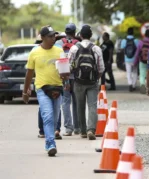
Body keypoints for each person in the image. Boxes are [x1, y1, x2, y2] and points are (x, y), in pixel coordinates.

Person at [23, 25, 65, 156]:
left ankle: (48, 141)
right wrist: (25, 91)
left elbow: (64, 72)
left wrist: (66, 76)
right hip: (42, 89)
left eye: (54, 36)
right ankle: (51, 143)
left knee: (54, 118)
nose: (54, 38)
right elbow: (29, 74)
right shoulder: (34, 53)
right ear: (42, 37)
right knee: (47, 116)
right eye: (50, 36)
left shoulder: (59, 51)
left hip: (58, 89)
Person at [68, 24, 105, 140]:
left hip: (78, 81)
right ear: (91, 35)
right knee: (92, 105)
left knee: (80, 106)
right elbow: (101, 68)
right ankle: (91, 130)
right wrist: (96, 78)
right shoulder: (96, 48)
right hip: (92, 81)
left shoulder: (74, 48)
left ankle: (83, 131)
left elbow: (69, 66)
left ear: (81, 35)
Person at [55, 23, 81, 136]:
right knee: (76, 102)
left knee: (65, 102)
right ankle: (77, 128)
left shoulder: (58, 43)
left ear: (65, 32)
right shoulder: (79, 44)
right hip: (75, 77)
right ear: (75, 32)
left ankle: (68, 128)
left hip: (63, 76)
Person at [133, 29, 149, 94]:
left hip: (142, 61)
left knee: (142, 75)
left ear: (144, 34)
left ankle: (142, 84)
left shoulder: (141, 42)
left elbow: (137, 53)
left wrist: (135, 62)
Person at [121, 27, 139, 92]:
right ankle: (134, 85)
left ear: (127, 32)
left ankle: (130, 84)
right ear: (133, 32)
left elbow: (122, 49)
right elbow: (138, 49)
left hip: (127, 59)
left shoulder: (124, 40)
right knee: (135, 72)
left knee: (128, 72)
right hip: (134, 59)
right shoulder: (136, 40)